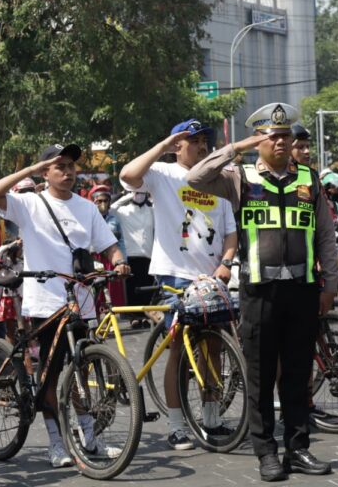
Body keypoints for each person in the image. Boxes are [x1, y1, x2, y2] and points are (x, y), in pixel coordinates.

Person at [187, 102, 338, 482]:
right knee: (260, 376)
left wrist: (331, 284)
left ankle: (298, 449)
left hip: (303, 290)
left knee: (298, 374)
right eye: (273, 136)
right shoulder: (239, 178)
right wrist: (236, 147)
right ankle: (266, 452)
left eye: (286, 135)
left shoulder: (309, 178)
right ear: (259, 140)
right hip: (259, 293)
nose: (282, 142)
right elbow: (195, 178)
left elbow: (325, 235)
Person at [0, 143, 130, 468]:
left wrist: (119, 261)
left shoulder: (87, 208)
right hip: (45, 301)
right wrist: (29, 171)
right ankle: (55, 442)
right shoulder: (30, 204)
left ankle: (90, 437)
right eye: (59, 166)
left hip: (81, 301)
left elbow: (109, 245)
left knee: (81, 371)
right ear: (45, 172)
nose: (67, 172)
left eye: (71, 166)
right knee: (50, 376)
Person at [120, 118, 238, 451]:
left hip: (212, 277)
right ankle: (176, 425)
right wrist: (162, 146)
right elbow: (128, 175)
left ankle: (211, 419)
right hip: (176, 275)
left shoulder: (218, 180)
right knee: (180, 349)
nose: (201, 146)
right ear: (177, 147)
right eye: (193, 140)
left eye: (204, 140)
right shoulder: (163, 173)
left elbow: (231, 233)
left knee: (214, 347)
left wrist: (226, 263)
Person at [111, 190, 155, 328]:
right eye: (137, 192)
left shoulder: (151, 210)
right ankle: (134, 317)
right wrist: (129, 194)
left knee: (147, 289)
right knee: (132, 290)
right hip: (130, 255)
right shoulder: (123, 211)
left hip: (148, 254)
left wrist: (148, 193)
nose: (139, 194)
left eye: (142, 192)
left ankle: (146, 316)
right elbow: (111, 208)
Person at [87, 184, 127, 306]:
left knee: (113, 290)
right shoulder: (88, 219)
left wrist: (123, 261)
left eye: (105, 201)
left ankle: (113, 314)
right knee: (96, 291)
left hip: (112, 259)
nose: (102, 204)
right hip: (94, 259)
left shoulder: (114, 220)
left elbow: (121, 242)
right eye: (99, 201)